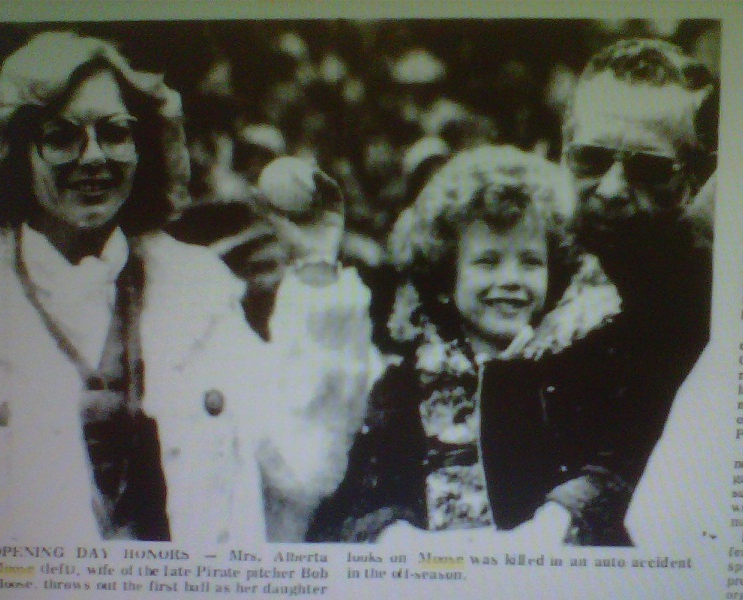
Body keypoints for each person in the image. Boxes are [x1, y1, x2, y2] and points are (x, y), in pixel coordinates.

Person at [0, 30, 375, 545]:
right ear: (17, 150)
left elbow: (303, 466)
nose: (94, 156)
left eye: (115, 132)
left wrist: (316, 262)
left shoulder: (199, 290)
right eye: (62, 135)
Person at [479, 38, 717, 545]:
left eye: (649, 171)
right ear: (560, 152)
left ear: (696, 180)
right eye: (590, 160)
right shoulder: (500, 262)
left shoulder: (708, 303)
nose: (610, 189)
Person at [307, 144, 602, 541]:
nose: (512, 278)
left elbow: (610, 469)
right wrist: (394, 532)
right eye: (488, 261)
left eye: (530, 261)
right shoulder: (406, 385)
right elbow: (360, 499)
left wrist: (560, 516)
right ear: (446, 278)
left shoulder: (572, 369)